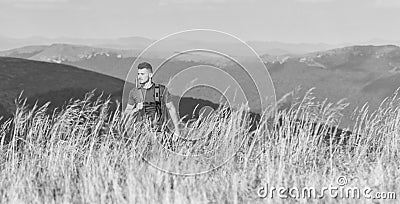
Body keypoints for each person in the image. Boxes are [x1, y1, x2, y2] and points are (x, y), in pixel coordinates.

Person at [124, 62, 180, 137]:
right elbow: (127, 112)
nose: (139, 77)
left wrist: (176, 130)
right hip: (141, 134)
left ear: (150, 75)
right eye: (138, 74)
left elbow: (171, 109)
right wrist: (136, 109)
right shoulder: (134, 92)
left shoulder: (161, 90)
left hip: (160, 133)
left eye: (142, 74)